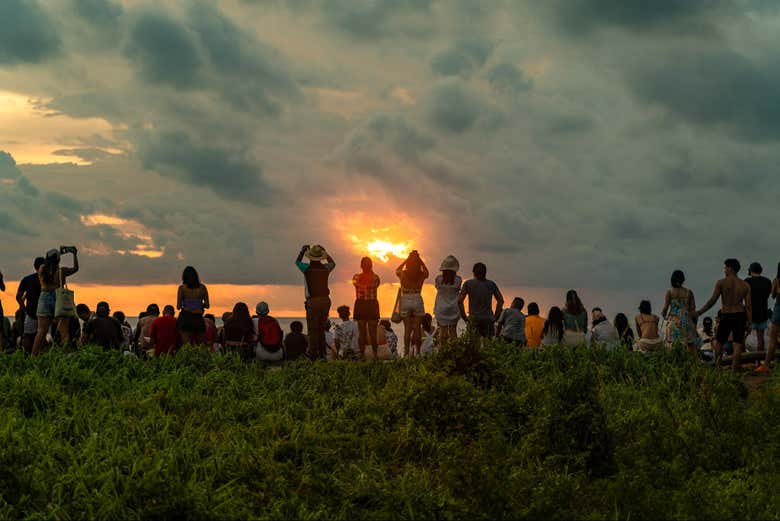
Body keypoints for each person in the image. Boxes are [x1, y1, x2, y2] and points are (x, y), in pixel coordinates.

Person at [696, 259, 752, 370]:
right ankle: (734, 369)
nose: (724, 269)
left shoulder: (721, 282)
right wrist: (750, 321)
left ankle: (717, 367)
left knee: (720, 342)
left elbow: (712, 300)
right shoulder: (745, 285)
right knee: (737, 344)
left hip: (726, 315)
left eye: (725, 267)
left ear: (730, 268)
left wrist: (700, 312)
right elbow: (748, 306)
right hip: (740, 315)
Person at [32, 247, 79, 355]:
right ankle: (66, 356)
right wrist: (74, 254)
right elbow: (75, 268)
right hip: (59, 298)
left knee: (41, 331)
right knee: (64, 332)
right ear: (58, 260)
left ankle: (33, 356)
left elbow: (50, 262)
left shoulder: (41, 269)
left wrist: (56, 256)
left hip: (44, 298)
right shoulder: (62, 271)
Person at [296, 244, 336, 360]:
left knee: (312, 330)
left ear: (310, 257)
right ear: (320, 257)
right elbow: (333, 263)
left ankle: (313, 355)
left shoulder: (306, 268)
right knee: (321, 329)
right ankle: (322, 354)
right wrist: (325, 252)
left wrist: (302, 251)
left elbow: (297, 262)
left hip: (313, 301)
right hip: (325, 300)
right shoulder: (325, 268)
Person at [458, 262, 503, 341]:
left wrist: (464, 317)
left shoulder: (468, 284)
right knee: (488, 346)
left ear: (473, 272)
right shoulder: (491, 284)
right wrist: (495, 317)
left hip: (474, 319)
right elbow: (500, 300)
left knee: (473, 346)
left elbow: (459, 301)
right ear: (485, 272)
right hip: (488, 319)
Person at [396, 250, 429, 357]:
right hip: (417, 298)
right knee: (417, 328)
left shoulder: (403, 274)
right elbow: (427, 272)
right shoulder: (421, 274)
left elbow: (397, 270)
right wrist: (420, 260)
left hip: (405, 298)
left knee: (407, 329)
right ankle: (418, 352)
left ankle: (406, 353)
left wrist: (406, 260)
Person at [661, 270, 697, 355]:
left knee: (672, 344)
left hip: (673, 320)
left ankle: (674, 364)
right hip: (686, 321)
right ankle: (694, 365)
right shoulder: (689, 292)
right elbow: (693, 309)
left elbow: (665, 309)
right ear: (683, 279)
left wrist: (665, 317)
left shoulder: (669, 292)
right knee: (690, 345)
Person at [352, 257, 381, 359]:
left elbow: (359, 285)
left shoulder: (356, 277)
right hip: (370, 304)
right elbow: (372, 285)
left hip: (362, 304)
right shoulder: (375, 277)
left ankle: (362, 354)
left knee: (363, 332)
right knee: (372, 332)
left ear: (361, 266)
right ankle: (374, 354)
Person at [15, 257, 44, 354]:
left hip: (31, 313)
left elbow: (18, 296)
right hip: (45, 314)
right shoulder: (48, 280)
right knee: (42, 337)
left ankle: (27, 356)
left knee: (28, 336)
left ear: (34, 266)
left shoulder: (27, 279)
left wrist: (24, 309)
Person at [177, 266, 209, 346]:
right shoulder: (202, 288)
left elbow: (178, 306)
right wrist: (198, 304)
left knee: (186, 345)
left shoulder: (182, 288)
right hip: (198, 318)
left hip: (185, 317)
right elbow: (207, 305)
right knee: (201, 345)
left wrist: (187, 304)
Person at [434, 255, 462, 345]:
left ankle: (443, 350)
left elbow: (437, 287)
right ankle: (454, 351)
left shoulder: (439, 279)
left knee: (442, 331)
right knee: (453, 331)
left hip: (441, 307)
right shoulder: (458, 280)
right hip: (454, 307)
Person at [744, 262, 772, 353]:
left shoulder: (747, 281)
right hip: (763, 313)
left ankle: (741, 359)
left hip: (750, 314)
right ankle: (759, 362)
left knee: (742, 337)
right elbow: (767, 295)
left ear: (750, 270)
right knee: (760, 339)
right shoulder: (767, 281)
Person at [757, 263, 780, 373]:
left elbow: (773, 295)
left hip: (779, 308)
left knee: (772, 339)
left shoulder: (777, 280)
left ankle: (766, 365)